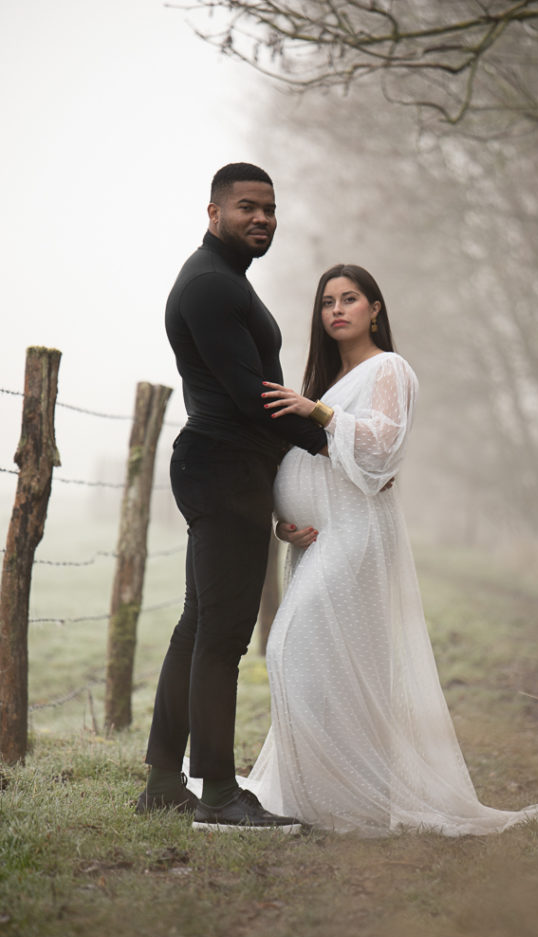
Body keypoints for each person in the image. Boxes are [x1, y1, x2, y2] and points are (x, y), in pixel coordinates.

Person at [218, 264, 538, 836]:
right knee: (326, 666)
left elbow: (379, 451)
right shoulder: (328, 382)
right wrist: (288, 522)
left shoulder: (389, 369)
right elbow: (315, 464)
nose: (337, 310)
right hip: (317, 540)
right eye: (328, 302)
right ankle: (324, 796)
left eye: (350, 299)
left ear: (375, 309)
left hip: (357, 534)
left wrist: (314, 411)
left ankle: (353, 795)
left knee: (289, 647)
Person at [136, 162, 328, 832]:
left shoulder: (221, 280)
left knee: (198, 626)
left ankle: (163, 782)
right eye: (247, 206)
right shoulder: (211, 286)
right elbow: (255, 398)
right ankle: (218, 793)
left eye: (269, 210)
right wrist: (332, 441)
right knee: (221, 636)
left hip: (224, 466)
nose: (261, 219)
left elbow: (252, 397)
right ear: (213, 211)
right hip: (222, 468)